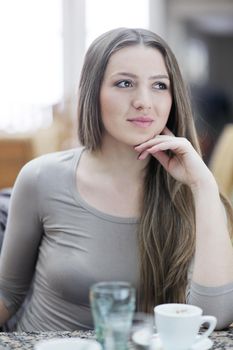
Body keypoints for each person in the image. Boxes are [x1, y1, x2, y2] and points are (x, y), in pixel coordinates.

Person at [0, 27, 233, 332]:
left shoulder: (195, 191)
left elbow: (212, 319)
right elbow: (8, 295)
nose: (143, 101)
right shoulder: (41, 177)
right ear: (92, 92)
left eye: (160, 85)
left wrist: (203, 186)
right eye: (125, 83)